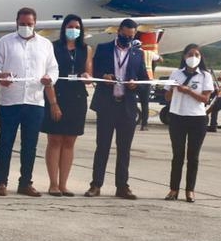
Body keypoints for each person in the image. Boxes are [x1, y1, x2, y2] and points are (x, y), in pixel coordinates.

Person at [0, 7, 58, 196]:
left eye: (29, 24)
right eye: (22, 24)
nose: (26, 27)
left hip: (34, 101)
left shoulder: (45, 44)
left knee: (30, 145)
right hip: (10, 100)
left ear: (35, 23)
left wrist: (49, 79)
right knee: (6, 142)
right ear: (16, 22)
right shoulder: (5, 42)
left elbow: (54, 68)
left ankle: (25, 183)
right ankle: (1, 182)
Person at [87, 18, 149, 200]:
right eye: (125, 35)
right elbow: (94, 71)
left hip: (127, 106)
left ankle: (122, 186)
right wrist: (103, 75)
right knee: (102, 147)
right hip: (107, 104)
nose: (127, 38)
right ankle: (96, 184)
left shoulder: (138, 54)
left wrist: (135, 85)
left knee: (124, 149)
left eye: (131, 36)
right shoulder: (104, 48)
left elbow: (144, 80)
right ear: (119, 31)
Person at [41, 15, 92, 196]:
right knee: (55, 140)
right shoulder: (53, 47)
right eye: (70, 26)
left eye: (77, 26)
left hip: (77, 98)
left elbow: (88, 73)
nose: (74, 29)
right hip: (57, 95)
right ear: (64, 28)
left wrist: (87, 76)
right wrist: (53, 103)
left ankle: (63, 184)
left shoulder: (85, 49)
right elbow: (49, 76)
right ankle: (53, 183)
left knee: (70, 141)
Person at [165, 44, 216, 202]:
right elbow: (167, 97)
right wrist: (173, 89)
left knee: (193, 156)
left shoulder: (205, 76)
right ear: (184, 56)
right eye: (190, 54)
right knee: (177, 155)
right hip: (177, 116)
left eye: (197, 55)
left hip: (197, 118)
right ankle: (173, 189)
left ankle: (190, 190)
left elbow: (205, 99)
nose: (193, 57)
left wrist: (188, 91)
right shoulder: (176, 74)